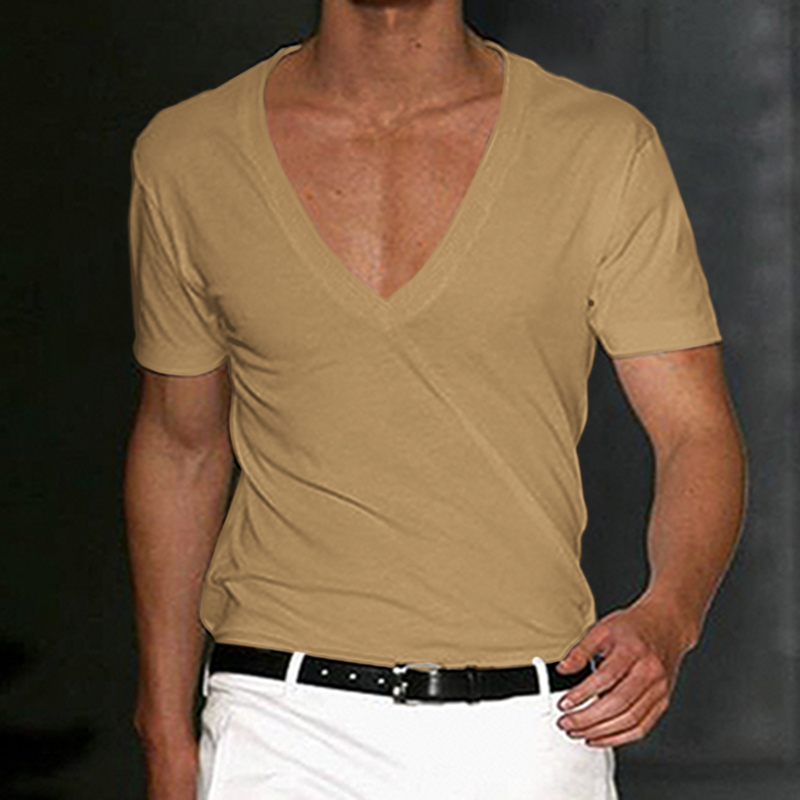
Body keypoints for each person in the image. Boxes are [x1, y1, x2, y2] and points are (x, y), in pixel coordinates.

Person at [123, 1, 747, 798]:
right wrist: (164, 736)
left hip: (528, 727)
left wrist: (670, 614)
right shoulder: (190, 153)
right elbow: (182, 447)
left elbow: (694, 429)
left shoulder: (598, 146)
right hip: (276, 725)